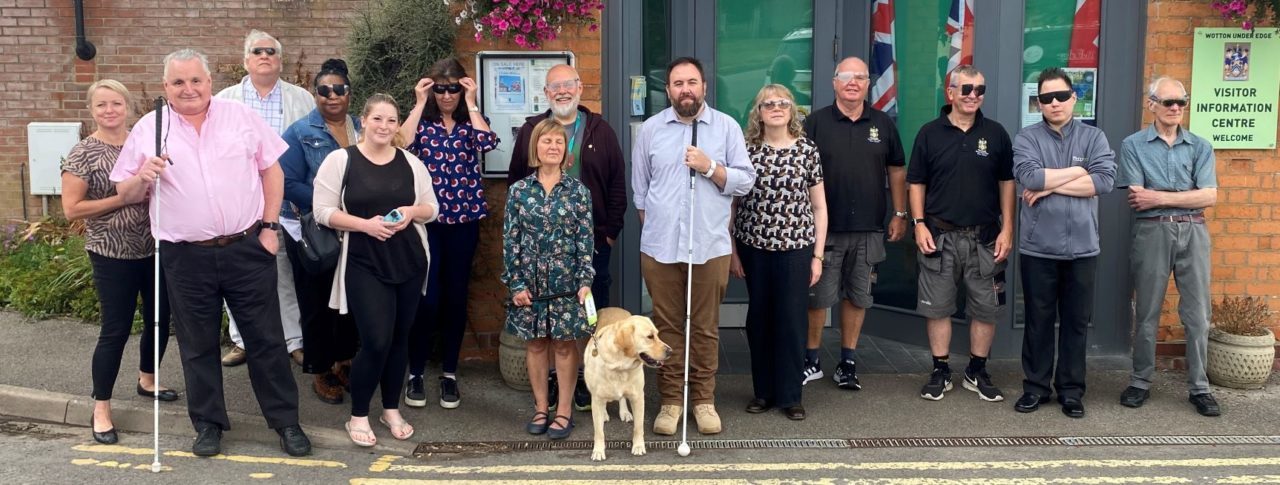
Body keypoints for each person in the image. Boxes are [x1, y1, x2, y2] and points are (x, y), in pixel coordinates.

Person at [110, 48, 311, 457]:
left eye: (196, 80)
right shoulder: (151, 128)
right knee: (197, 343)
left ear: (209, 82)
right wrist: (142, 177)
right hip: (185, 256)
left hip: (246, 247)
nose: (189, 89)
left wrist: (271, 227)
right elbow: (123, 191)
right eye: (179, 82)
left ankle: (286, 422)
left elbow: (271, 169)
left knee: (266, 340)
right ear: (166, 87)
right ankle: (208, 423)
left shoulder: (239, 116)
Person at [632, 56, 756, 436]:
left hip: (710, 245)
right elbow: (641, 193)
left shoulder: (726, 127)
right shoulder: (651, 130)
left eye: (692, 82)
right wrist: (659, 230)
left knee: (704, 327)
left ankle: (703, 400)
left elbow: (745, 181)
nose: (685, 89)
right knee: (666, 328)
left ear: (704, 86)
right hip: (661, 247)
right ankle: (671, 401)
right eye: (677, 83)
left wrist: (709, 167)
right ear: (667, 89)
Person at [313, 94, 439, 447]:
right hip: (364, 263)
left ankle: (390, 409)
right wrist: (364, 225)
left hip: (409, 262)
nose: (384, 126)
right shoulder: (342, 161)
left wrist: (413, 213)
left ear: (398, 125)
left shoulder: (411, 163)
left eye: (391, 120)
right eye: (378, 119)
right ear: (363, 121)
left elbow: (433, 208)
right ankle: (358, 415)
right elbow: (322, 211)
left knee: (400, 340)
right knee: (376, 341)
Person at [62, 79, 177, 445]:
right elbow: (71, 210)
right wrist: (122, 198)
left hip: (156, 247)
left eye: (116, 104)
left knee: (160, 319)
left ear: (127, 107)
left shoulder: (146, 143)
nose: (109, 111)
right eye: (101, 105)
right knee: (116, 329)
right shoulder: (83, 153)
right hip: (112, 252)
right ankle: (101, 407)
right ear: (91, 111)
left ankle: (147, 378)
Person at [508, 64, 627, 413]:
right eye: (554, 86)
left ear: (580, 87)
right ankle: (548, 388)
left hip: (590, 247)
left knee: (587, 317)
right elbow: (517, 179)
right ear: (545, 93)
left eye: (568, 85)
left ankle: (584, 380)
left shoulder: (601, 130)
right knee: (543, 326)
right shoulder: (532, 129)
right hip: (536, 254)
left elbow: (618, 184)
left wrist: (609, 235)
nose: (562, 91)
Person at [906, 66, 1015, 402]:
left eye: (980, 90)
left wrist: (1008, 228)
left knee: (985, 308)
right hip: (940, 235)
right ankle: (940, 369)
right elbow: (916, 182)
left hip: (985, 237)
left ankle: (976, 370)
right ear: (949, 91)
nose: (973, 95)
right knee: (937, 307)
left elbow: (1007, 183)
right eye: (966, 88)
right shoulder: (929, 133)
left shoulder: (996, 133)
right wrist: (919, 222)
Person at [1011, 67, 1116, 418]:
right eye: (1046, 98)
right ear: (1038, 103)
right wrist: (1079, 172)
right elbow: (1029, 176)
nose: (1054, 103)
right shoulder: (1027, 138)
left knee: (1075, 322)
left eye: (1060, 96)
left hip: (1083, 248)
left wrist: (1050, 186)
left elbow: (1102, 182)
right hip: (1038, 248)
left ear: (1074, 98)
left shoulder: (1094, 138)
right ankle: (1036, 388)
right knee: (1038, 321)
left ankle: (1071, 390)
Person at [1116, 77, 1220, 417]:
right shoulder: (1133, 145)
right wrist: (1186, 197)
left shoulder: (1200, 146)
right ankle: (1140, 380)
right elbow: (1137, 197)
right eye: (1168, 102)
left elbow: (1210, 196)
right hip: (1153, 233)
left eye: (1181, 103)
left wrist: (1159, 196)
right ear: (1152, 105)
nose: (1176, 108)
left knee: (1198, 315)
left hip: (1195, 232)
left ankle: (1200, 388)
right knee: (1146, 311)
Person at [398, 58, 498, 410]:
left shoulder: (469, 125)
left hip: (465, 223)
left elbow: (488, 142)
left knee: (456, 298)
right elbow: (400, 143)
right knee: (427, 299)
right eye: (440, 88)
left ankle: (450, 373)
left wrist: (472, 102)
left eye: (452, 87)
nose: (446, 94)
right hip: (428, 225)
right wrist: (418, 101)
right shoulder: (424, 127)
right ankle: (415, 372)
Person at [802, 56, 907, 391]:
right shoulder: (815, 123)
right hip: (824, 231)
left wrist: (900, 212)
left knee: (858, 297)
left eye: (860, 77)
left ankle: (847, 362)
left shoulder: (883, 124)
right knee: (817, 299)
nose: (852, 82)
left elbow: (897, 170)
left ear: (867, 84)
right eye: (845, 76)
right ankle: (812, 360)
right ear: (834, 82)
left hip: (868, 227)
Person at [216, 29, 314, 368]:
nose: (264, 56)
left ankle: (293, 341)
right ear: (246, 60)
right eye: (257, 51)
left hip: (286, 201)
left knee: (284, 272)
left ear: (280, 60)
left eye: (271, 51)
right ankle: (242, 341)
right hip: (239, 202)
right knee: (237, 273)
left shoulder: (301, 99)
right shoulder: (224, 100)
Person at [729, 84, 826, 421]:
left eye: (782, 103)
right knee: (759, 320)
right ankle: (763, 392)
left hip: (796, 249)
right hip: (753, 247)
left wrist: (818, 256)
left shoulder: (807, 150)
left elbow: (819, 207)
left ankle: (790, 395)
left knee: (791, 321)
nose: (776, 108)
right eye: (768, 103)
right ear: (758, 111)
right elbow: (734, 203)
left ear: (791, 109)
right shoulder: (746, 150)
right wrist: (732, 250)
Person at [502, 118, 595, 440]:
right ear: (535, 148)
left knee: (566, 347)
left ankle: (565, 411)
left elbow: (586, 240)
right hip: (529, 285)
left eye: (559, 141)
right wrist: (515, 284)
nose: (553, 147)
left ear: (566, 150)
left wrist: (585, 280)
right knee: (537, 345)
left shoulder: (578, 192)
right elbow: (510, 241)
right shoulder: (518, 192)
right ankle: (542, 407)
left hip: (567, 284)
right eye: (546, 141)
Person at [280, 58, 361, 405]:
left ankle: (344, 360)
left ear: (349, 93)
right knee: (315, 302)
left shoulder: (361, 127)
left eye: (338, 89)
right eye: (324, 90)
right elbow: (286, 182)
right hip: (312, 231)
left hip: (353, 229)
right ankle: (319, 368)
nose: (332, 96)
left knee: (348, 299)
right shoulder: (299, 132)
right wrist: (328, 205)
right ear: (315, 95)